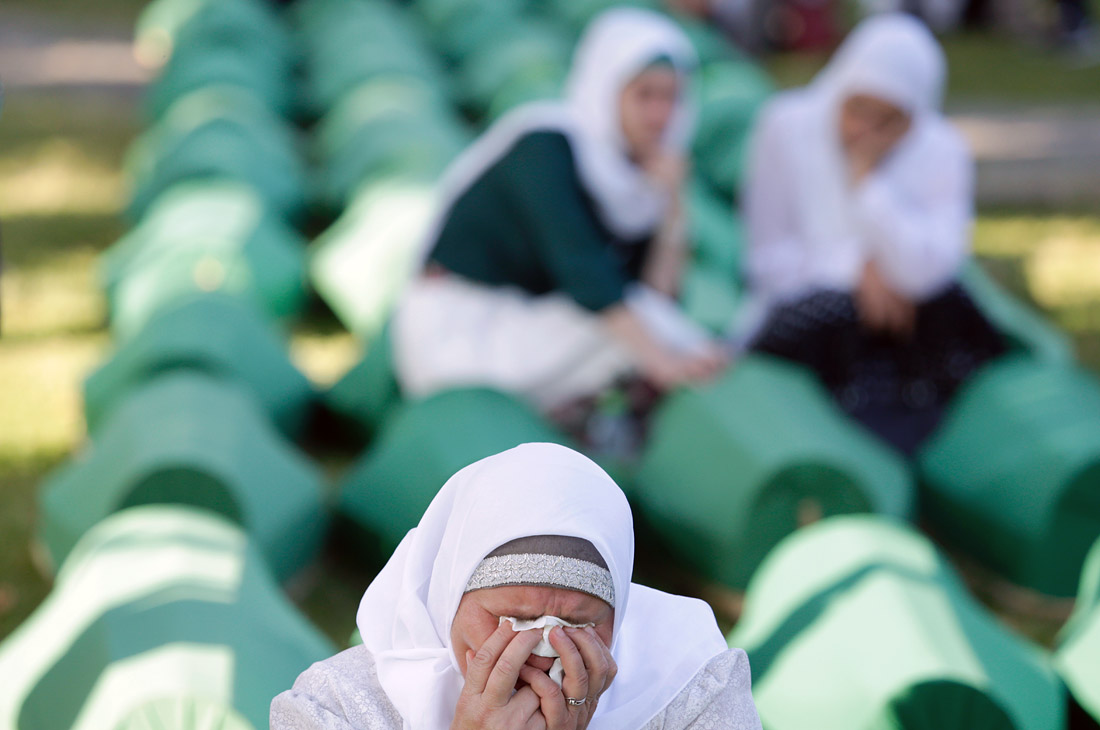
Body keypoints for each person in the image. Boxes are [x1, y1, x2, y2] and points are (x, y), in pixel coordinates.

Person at [271, 443, 762, 729]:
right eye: (515, 618)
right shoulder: (335, 709)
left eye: (576, 622)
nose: (544, 651)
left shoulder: (691, 687)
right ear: (449, 599)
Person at [391, 8, 727, 420]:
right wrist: (664, 365)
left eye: (671, 98)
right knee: (649, 336)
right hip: (459, 333)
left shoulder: (636, 179)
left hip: (532, 328)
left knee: (654, 325)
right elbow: (587, 275)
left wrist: (673, 204)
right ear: (608, 89)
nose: (660, 116)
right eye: (644, 95)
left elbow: (658, 295)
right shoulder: (544, 147)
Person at [741, 13, 1005, 455]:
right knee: (832, 313)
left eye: (887, 121)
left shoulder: (942, 149)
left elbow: (932, 267)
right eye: (858, 109)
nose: (865, 131)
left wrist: (868, 186)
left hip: (909, 328)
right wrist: (854, 270)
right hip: (817, 328)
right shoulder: (786, 127)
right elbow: (767, 261)